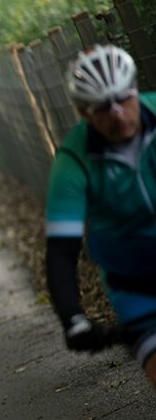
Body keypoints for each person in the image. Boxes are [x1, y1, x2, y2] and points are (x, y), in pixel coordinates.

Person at [44, 44, 156, 391]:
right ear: (83, 112)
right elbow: (61, 253)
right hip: (137, 289)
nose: (118, 113)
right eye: (102, 107)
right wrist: (73, 318)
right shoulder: (73, 160)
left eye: (123, 99)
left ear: (136, 90)